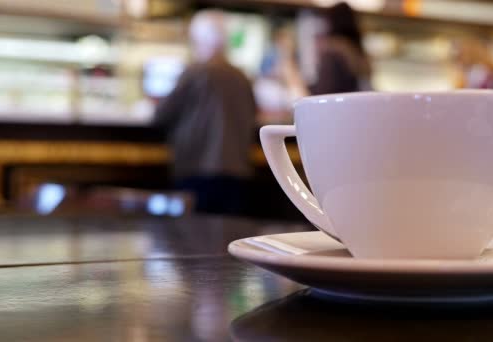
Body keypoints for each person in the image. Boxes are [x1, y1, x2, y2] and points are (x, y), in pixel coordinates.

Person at [153, 10, 257, 216]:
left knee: (194, 237)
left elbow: (161, 115)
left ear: (199, 40)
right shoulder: (242, 77)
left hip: (197, 169)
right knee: (228, 234)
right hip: (236, 171)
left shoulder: (195, 72)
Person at [281, 2, 371, 97]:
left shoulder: (333, 50)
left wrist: (294, 77)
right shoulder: (357, 50)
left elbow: (322, 92)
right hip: (356, 106)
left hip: (337, 108)